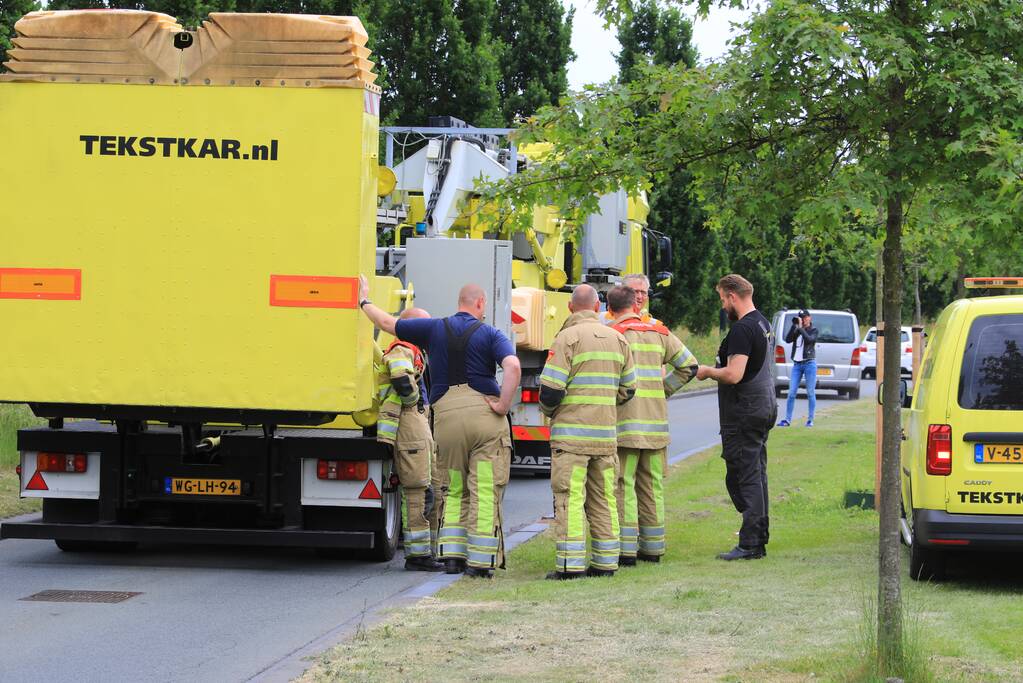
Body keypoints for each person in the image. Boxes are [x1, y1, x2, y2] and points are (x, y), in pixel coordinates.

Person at [357, 276, 521, 578]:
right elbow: (512, 366)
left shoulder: (434, 329)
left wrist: (364, 300)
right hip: (484, 417)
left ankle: (453, 558)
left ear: (458, 303)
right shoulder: (491, 333)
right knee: (483, 488)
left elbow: (388, 323)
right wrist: (501, 405)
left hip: (445, 418)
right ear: (480, 303)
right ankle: (480, 562)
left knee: (453, 487)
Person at [539, 284, 636, 580]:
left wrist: (550, 412)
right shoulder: (619, 339)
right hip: (605, 438)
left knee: (570, 498)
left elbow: (551, 391)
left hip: (571, 440)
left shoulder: (566, 338)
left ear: (570, 308)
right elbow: (629, 389)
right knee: (605, 499)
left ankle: (570, 566)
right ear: (597, 308)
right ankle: (606, 564)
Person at [607, 285, 697, 565]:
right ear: (635, 305)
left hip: (627, 427)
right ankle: (654, 548)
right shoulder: (660, 332)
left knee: (624, 485)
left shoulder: (614, 334)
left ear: (610, 310)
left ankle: (626, 550)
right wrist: (663, 390)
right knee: (652, 486)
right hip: (656, 427)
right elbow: (689, 366)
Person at [696, 274, 776, 561]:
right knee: (756, 473)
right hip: (763, 405)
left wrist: (707, 372)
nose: (722, 306)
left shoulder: (743, 329)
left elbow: (733, 374)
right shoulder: (763, 323)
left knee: (743, 476)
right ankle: (759, 535)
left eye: (722, 299)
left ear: (732, 296)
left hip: (744, 411)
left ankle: (751, 542)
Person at [375, 307, 444, 572]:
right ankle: (418, 556)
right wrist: (413, 400)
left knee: (431, 487)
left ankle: (429, 551)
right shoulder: (403, 348)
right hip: (409, 422)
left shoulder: (415, 351)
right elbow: (401, 377)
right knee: (417, 490)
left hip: (417, 423)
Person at [778, 309, 818, 427]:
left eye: (805, 317)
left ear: (809, 318)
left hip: (809, 363)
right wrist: (794, 326)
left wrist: (801, 328)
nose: (804, 320)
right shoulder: (798, 329)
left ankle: (810, 420)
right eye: (801, 318)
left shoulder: (813, 330)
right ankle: (787, 420)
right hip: (797, 364)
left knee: (810, 392)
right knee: (791, 393)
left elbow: (809, 340)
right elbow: (788, 339)